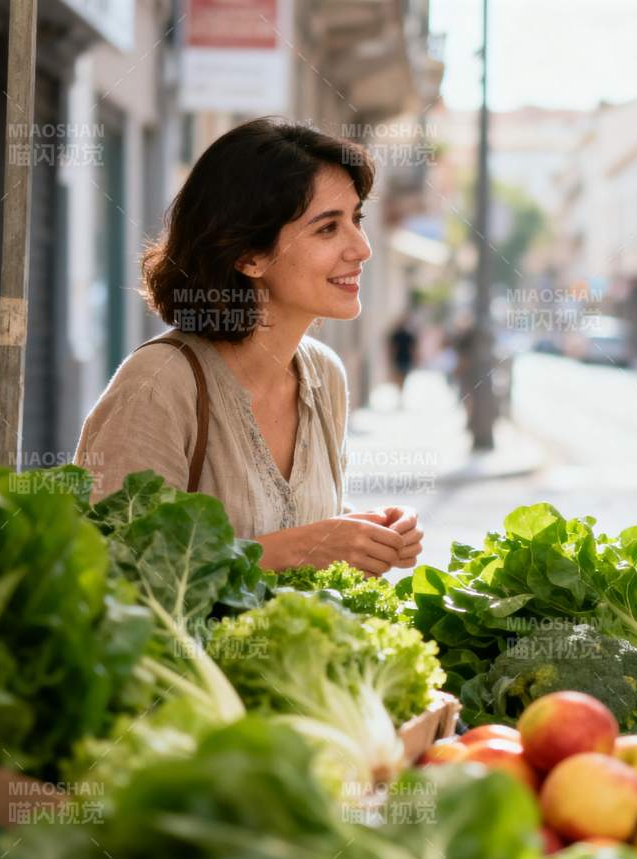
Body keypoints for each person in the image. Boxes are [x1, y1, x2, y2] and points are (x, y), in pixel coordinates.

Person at [75, 118, 422, 577]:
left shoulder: (325, 375)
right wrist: (294, 551)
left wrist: (365, 535)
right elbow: (112, 569)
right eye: (327, 229)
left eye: (355, 219)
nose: (361, 248)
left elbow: (294, 526)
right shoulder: (158, 384)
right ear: (248, 256)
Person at [388, 312, 419, 409]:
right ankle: (400, 394)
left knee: (401, 378)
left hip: (402, 359)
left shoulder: (404, 334)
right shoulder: (401, 334)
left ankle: (400, 394)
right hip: (403, 359)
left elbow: (412, 349)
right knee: (401, 378)